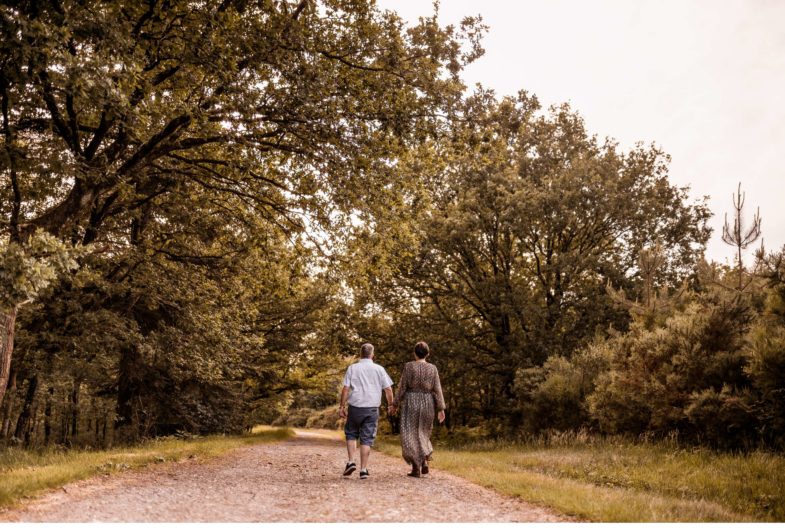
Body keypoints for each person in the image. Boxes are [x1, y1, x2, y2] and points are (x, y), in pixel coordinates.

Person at [390, 341, 445, 477]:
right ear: (428, 353)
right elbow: (437, 389)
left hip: (411, 402)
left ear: (414, 353)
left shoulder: (409, 366)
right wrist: (441, 408)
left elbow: (402, 387)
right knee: (423, 433)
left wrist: (394, 404)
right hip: (428, 403)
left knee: (410, 434)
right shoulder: (433, 368)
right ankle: (425, 461)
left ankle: (416, 468)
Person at [339, 343, 394, 480]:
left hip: (355, 407)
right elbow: (388, 390)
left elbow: (345, 389)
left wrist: (342, 406)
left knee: (351, 433)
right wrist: (391, 405)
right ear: (372, 355)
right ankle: (363, 470)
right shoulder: (379, 369)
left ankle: (351, 461)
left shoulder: (353, 368)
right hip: (371, 408)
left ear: (360, 354)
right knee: (367, 438)